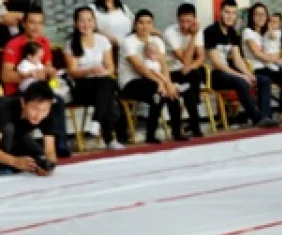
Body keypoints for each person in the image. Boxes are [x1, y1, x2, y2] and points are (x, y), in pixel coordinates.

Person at [0, 8, 72, 157]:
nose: (36, 27)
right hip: (17, 92)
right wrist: (28, 75)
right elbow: (6, 76)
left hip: (38, 89)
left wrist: (50, 72)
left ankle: (60, 143)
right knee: (51, 101)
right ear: (24, 24)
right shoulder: (13, 44)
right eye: (32, 22)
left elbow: (48, 66)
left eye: (40, 23)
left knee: (56, 100)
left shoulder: (43, 42)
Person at [65, 6, 128, 150]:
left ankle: (97, 122)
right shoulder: (70, 44)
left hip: (102, 83)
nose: (86, 24)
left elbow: (111, 67)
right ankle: (109, 138)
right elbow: (73, 72)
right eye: (82, 21)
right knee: (109, 89)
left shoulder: (102, 40)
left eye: (89, 20)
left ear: (94, 22)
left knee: (107, 83)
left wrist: (102, 72)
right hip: (82, 87)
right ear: (76, 23)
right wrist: (90, 70)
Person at [119, 10, 187, 143]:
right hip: (131, 82)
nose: (145, 26)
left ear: (152, 25)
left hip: (152, 80)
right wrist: (161, 83)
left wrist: (168, 83)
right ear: (134, 25)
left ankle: (177, 132)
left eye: (149, 23)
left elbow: (163, 66)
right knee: (159, 91)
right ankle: (151, 134)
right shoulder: (128, 42)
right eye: (141, 23)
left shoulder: (156, 41)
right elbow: (140, 68)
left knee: (171, 92)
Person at [205, 0, 270, 127]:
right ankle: (257, 119)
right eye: (227, 12)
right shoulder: (210, 32)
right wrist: (241, 76)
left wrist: (248, 74)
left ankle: (266, 116)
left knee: (263, 80)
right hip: (215, 75)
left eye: (233, 13)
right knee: (240, 82)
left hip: (230, 74)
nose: (230, 16)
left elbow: (237, 59)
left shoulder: (232, 33)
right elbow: (217, 64)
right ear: (220, 13)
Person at [0, 80, 58, 177]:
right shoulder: (4, 110)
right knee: (8, 129)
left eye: (44, 110)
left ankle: (8, 165)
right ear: (23, 103)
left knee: (39, 157)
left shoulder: (47, 115)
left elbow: (50, 151)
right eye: (34, 108)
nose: (38, 115)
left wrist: (47, 166)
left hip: (17, 138)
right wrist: (15, 161)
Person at [242, 4, 282, 122]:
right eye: (257, 14)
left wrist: (277, 57)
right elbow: (258, 54)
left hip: (270, 66)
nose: (260, 17)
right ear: (252, 17)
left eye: (263, 14)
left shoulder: (268, 32)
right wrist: (275, 58)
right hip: (257, 68)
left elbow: (276, 49)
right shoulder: (248, 32)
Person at [162, 3, 208, 138]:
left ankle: (194, 126)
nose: (185, 25)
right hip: (170, 71)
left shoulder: (198, 30)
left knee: (193, 75)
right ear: (177, 20)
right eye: (182, 21)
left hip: (187, 71)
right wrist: (193, 36)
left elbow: (200, 58)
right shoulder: (170, 32)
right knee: (185, 84)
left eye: (189, 21)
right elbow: (184, 60)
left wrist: (190, 67)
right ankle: (189, 127)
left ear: (194, 19)